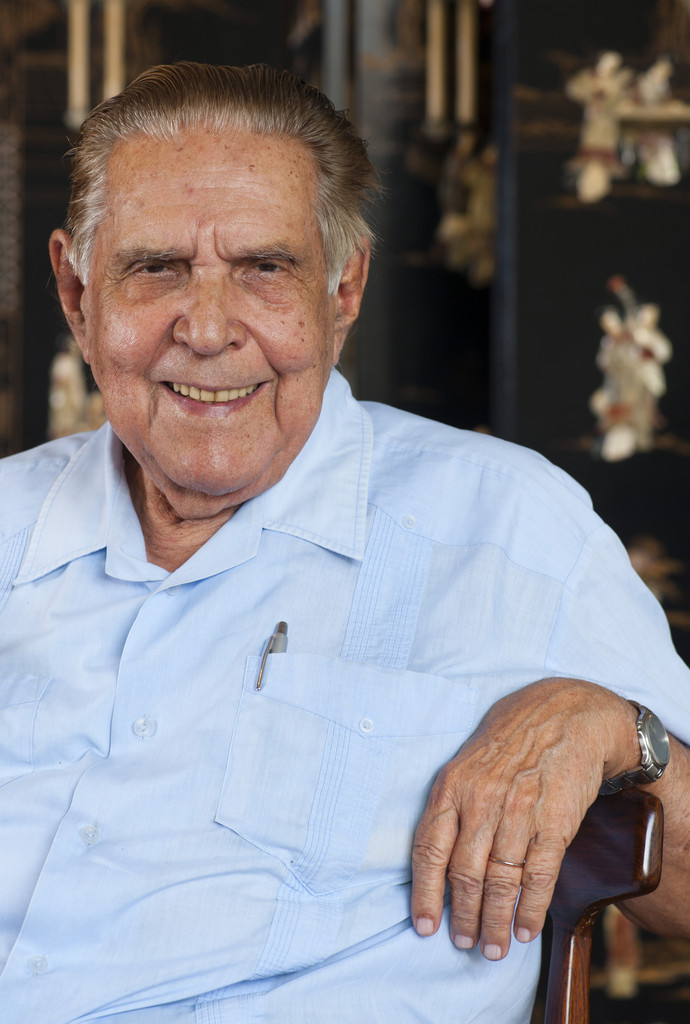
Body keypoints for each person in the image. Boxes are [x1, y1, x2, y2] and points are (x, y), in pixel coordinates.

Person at [1, 62, 689, 1024]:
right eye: (155, 268)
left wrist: (618, 729)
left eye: (264, 269)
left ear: (345, 287)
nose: (206, 328)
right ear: (78, 295)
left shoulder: (507, 523)